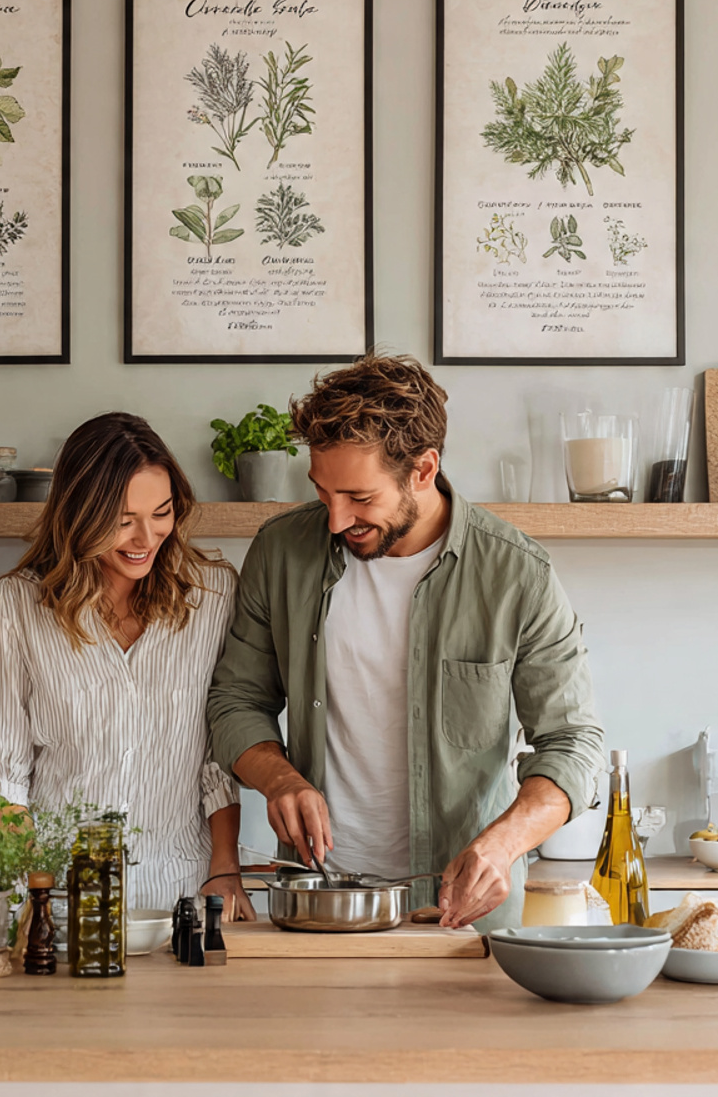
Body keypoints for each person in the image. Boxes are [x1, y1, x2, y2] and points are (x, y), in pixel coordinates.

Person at [207, 354, 606, 931]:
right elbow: (235, 701)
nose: (336, 521)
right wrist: (279, 777)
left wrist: (502, 844)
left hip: (464, 919)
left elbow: (572, 742)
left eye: (360, 498)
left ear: (423, 469)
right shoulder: (281, 553)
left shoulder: (518, 574)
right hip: (319, 906)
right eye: (323, 493)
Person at [0, 412, 254, 919]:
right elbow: (2, 778)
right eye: (123, 521)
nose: (147, 537)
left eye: (162, 513)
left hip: (182, 894)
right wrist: (37, 893)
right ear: (80, 513)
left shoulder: (213, 596)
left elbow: (216, 758)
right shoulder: (16, 606)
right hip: (57, 899)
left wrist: (225, 865)